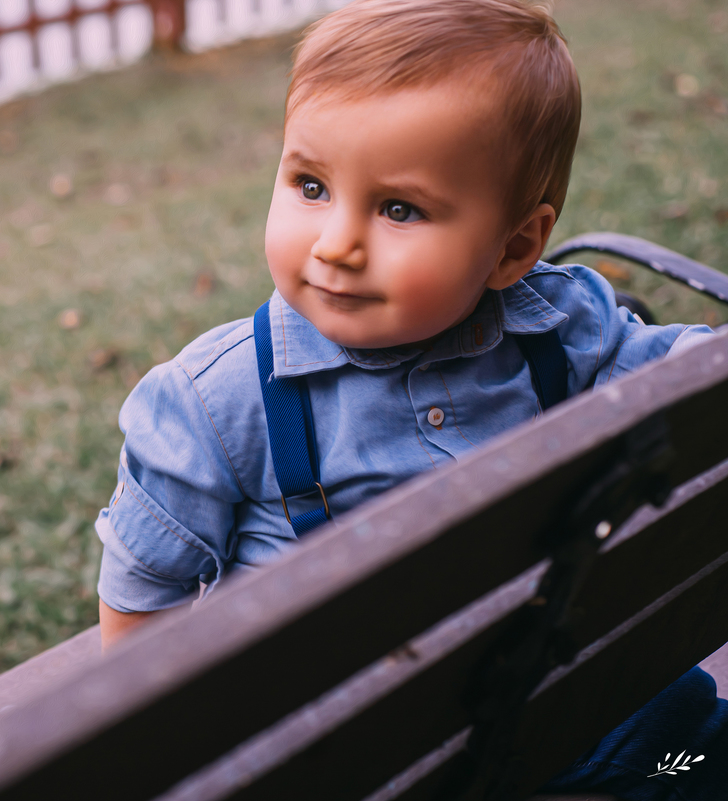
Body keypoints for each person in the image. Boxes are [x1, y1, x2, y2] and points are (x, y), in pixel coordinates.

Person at [94, 0, 726, 798]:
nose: (336, 243)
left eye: (398, 208)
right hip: (408, 753)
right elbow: (700, 381)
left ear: (517, 246)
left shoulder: (559, 325)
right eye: (310, 184)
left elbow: (135, 626)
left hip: (554, 722)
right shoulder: (215, 401)